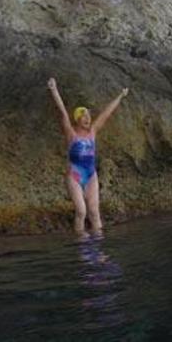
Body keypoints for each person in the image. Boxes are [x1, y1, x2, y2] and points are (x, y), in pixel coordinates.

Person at [47, 77, 129, 232]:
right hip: (75, 175)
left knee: (94, 212)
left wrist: (120, 96)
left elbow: (106, 113)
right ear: (77, 119)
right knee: (81, 211)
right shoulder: (71, 134)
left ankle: (97, 251)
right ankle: (82, 247)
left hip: (91, 175)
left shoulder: (92, 133)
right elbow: (62, 112)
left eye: (88, 116)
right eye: (83, 116)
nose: (87, 119)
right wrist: (54, 90)